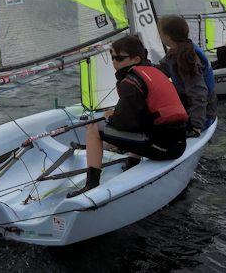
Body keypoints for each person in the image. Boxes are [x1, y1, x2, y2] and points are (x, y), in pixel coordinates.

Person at [67, 35, 188, 198]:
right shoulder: (154, 72)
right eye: (112, 57)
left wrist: (110, 116)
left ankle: (91, 184)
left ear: (136, 58)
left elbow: (125, 123)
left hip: (163, 148)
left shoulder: (131, 82)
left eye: (119, 58)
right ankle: (132, 162)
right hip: (178, 143)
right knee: (139, 121)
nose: (114, 62)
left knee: (94, 128)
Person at [157, 16, 216, 137]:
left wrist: (196, 125)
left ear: (167, 37)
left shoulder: (186, 58)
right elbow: (161, 71)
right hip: (189, 106)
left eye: (160, 33)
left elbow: (199, 93)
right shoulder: (176, 51)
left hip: (203, 115)